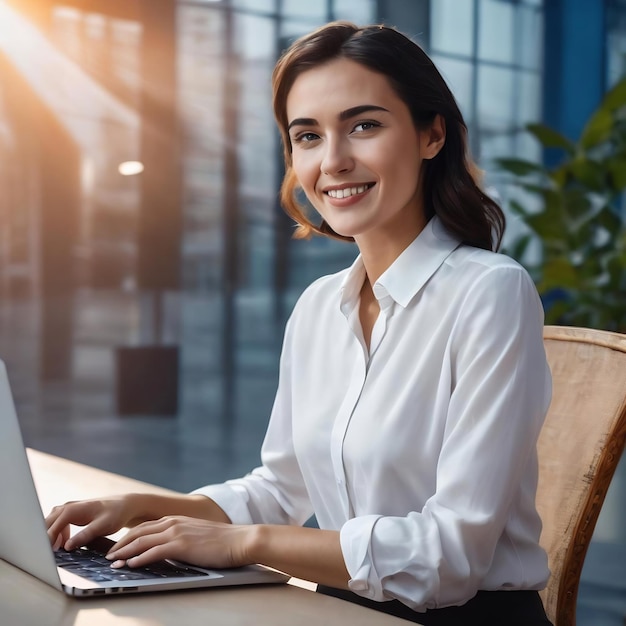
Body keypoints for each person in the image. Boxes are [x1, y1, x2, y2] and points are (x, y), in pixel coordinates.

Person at [46, 22, 554, 625]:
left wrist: (246, 543)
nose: (333, 161)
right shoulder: (320, 305)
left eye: (364, 125)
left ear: (431, 133)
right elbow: (281, 490)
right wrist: (145, 508)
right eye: (307, 136)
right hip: (341, 607)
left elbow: (450, 555)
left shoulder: (490, 293)